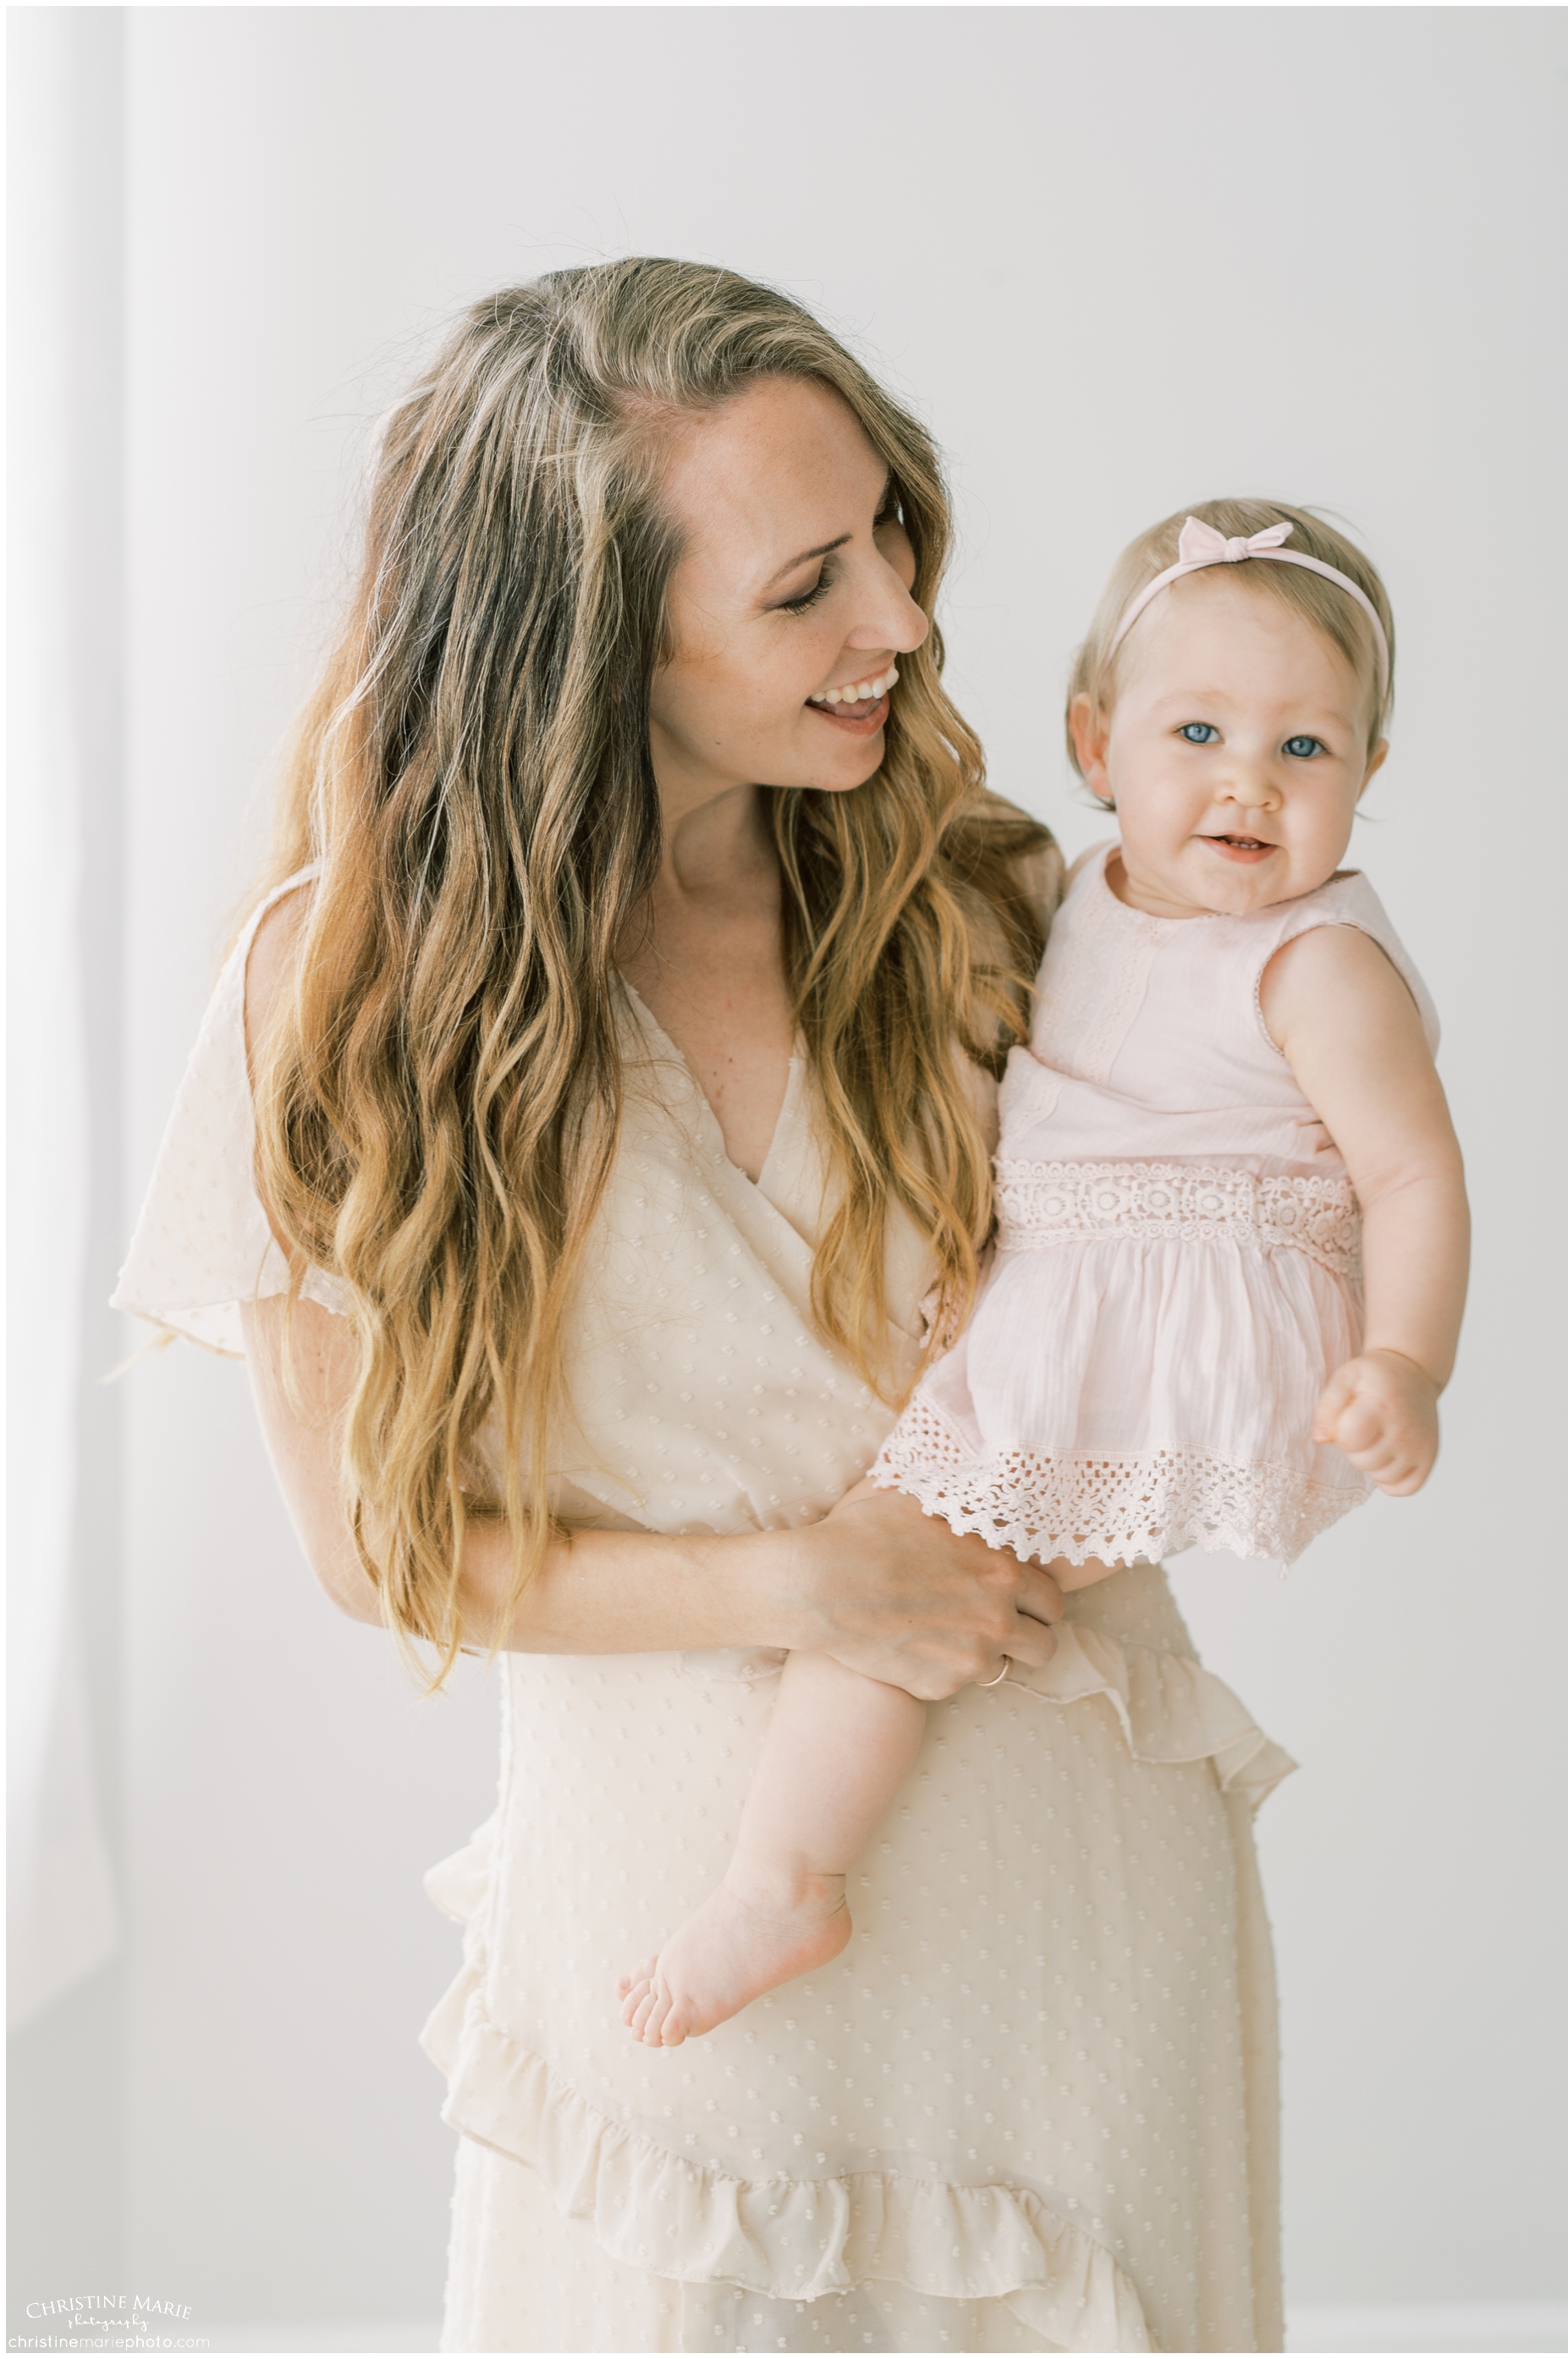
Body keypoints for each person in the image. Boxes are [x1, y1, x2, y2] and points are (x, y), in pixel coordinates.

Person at [113, 265, 1293, 2352]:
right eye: (804, 586)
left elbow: (1243, 1269)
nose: (905, 624)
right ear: (586, 645)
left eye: (894, 536)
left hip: (1073, 1926)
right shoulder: (340, 1001)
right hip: (676, 1950)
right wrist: (801, 1581)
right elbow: (384, 1555)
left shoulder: (1003, 905)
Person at [622, 501, 1470, 2058]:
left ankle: (782, 1877)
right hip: (1070, 1298)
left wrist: (1407, 1361)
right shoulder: (1075, 888)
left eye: (1307, 751)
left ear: (1368, 777)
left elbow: (1413, 1173)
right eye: (1199, 731)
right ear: (1095, 743)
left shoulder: (1316, 960)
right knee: (945, 1569)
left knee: (906, 1564)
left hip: (1187, 1316)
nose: (1248, 785)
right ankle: (794, 1861)